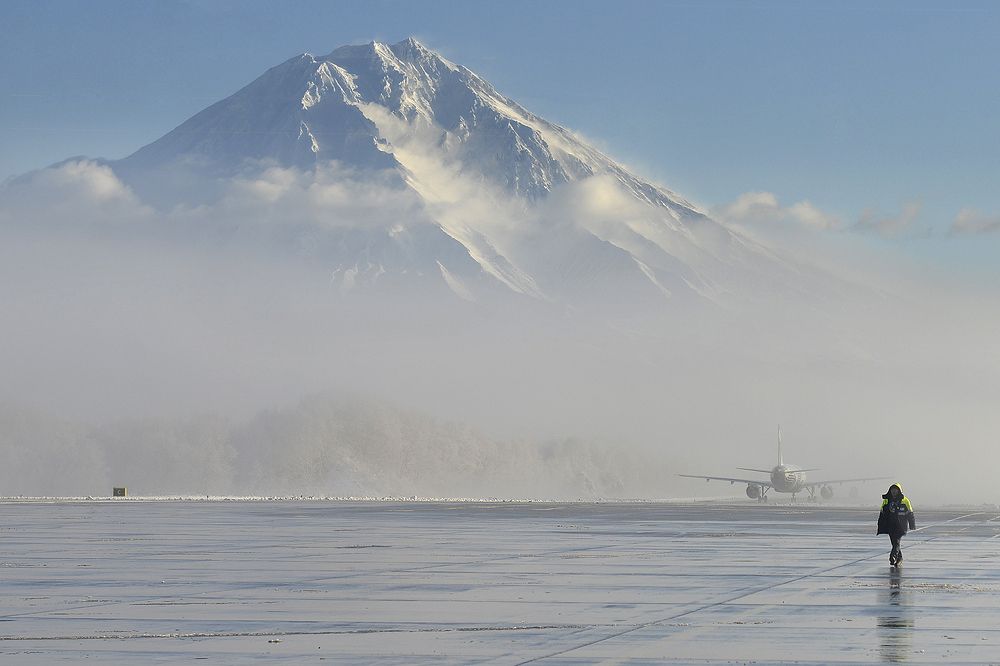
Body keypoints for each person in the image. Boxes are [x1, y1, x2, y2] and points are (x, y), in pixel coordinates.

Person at [877, 483, 916, 566]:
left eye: (895, 490)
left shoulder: (905, 500)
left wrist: (912, 524)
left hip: (901, 526)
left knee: (897, 542)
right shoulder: (887, 500)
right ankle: (899, 558)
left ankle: (893, 556)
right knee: (894, 543)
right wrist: (880, 524)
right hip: (890, 525)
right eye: (892, 490)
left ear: (899, 491)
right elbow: (882, 513)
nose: (894, 492)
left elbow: (910, 513)